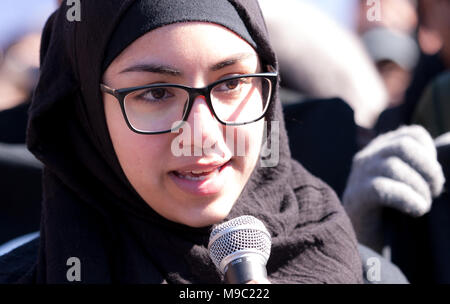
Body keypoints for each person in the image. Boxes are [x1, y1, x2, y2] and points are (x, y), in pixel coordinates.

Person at [0, 0, 362, 284]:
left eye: (231, 83)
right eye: (156, 93)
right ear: (88, 115)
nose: (201, 135)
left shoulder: (354, 264)